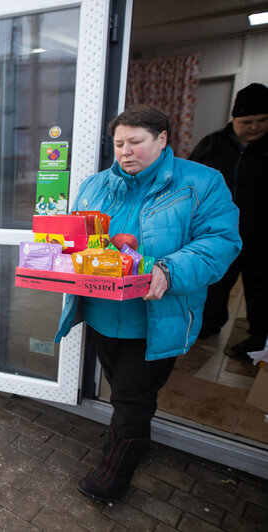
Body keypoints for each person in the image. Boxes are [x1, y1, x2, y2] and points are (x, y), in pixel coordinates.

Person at [54, 105, 241, 502]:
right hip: (103, 313)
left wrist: (169, 270)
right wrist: (59, 254)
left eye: (136, 142)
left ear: (162, 139)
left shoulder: (202, 183)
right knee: (124, 389)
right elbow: (79, 239)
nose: (125, 151)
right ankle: (131, 438)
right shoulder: (95, 185)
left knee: (131, 396)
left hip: (157, 317)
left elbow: (221, 243)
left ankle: (116, 471)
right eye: (119, 143)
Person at [189, 83, 268, 358]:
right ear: (234, 118)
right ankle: (208, 325)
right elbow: (190, 183)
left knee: (260, 287)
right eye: (247, 121)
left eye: (262, 120)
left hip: (261, 233)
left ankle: (259, 337)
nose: (255, 127)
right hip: (218, 231)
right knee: (215, 280)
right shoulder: (212, 144)